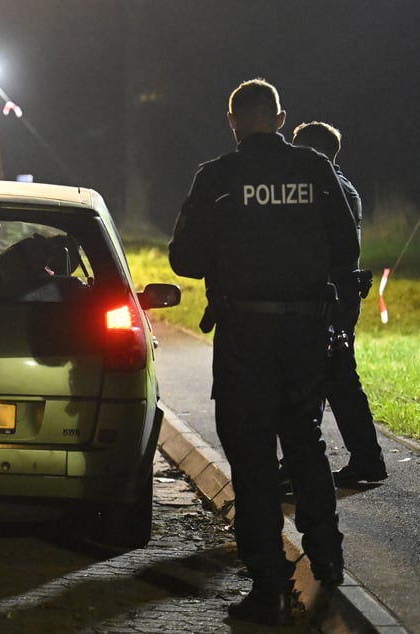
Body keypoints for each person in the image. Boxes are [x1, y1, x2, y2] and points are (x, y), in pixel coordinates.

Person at [168, 79, 360, 626]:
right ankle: (327, 554)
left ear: (232, 121)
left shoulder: (218, 176)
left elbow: (184, 258)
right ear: (279, 118)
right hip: (304, 332)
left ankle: (269, 584)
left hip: (244, 334)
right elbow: (346, 248)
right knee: (305, 439)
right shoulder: (316, 170)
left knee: (251, 457)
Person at [291, 121, 387, 485]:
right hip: (337, 294)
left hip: (332, 297)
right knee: (325, 376)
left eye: (299, 150)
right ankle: (316, 460)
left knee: (338, 377)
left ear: (315, 153)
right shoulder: (338, 187)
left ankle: (368, 460)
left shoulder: (332, 191)